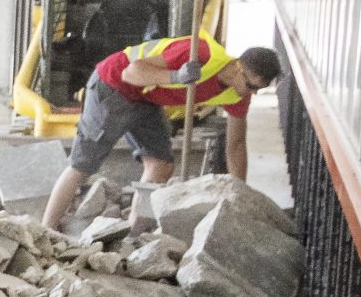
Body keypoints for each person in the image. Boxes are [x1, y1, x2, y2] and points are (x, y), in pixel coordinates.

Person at [38, 35, 284, 234]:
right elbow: (131, 73)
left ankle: (134, 233)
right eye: (252, 85)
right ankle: (47, 229)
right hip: (113, 85)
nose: (252, 93)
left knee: (161, 164)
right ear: (239, 67)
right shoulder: (200, 52)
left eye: (258, 90)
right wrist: (176, 76)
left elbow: (236, 145)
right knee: (83, 165)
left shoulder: (237, 95)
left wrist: (238, 192)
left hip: (145, 99)